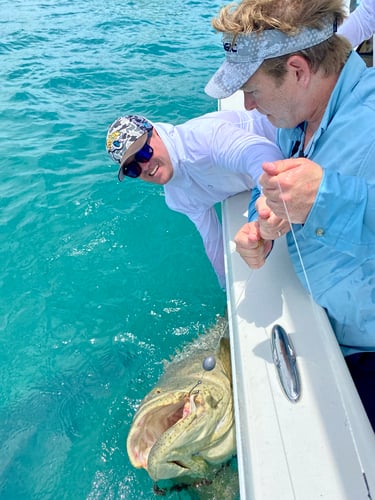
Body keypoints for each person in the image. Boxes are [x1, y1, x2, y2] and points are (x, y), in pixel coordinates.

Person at [205, 0, 375, 429]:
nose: (245, 105)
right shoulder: (293, 121)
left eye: (252, 89)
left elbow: (328, 196)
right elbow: (280, 187)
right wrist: (261, 217)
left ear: (298, 71)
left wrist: (327, 198)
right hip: (329, 329)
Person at [105, 111, 284, 289]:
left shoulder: (200, 139)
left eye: (144, 153)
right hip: (255, 183)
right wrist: (225, 288)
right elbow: (212, 241)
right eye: (133, 169)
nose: (144, 166)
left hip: (285, 137)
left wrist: (265, 202)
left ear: (155, 132)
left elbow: (261, 152)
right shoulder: (177, 197)